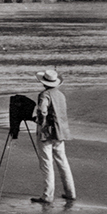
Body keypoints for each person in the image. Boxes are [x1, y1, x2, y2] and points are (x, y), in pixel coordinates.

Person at [31, 68, 77, 205]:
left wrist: (39, 120)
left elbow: (42, 110)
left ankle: (47, 196)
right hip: (61, 132)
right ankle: (70, 193)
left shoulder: (44, 94)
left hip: (47, 133)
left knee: (47, 164)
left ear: (44, 82)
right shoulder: (61, 95)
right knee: (63, 162)